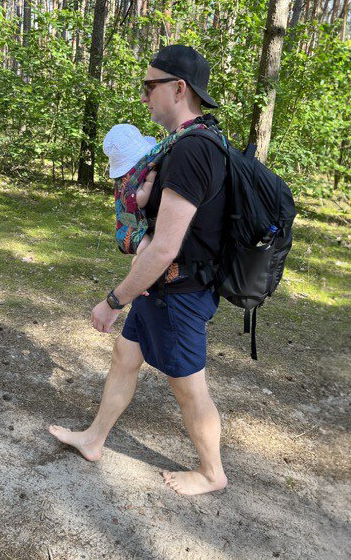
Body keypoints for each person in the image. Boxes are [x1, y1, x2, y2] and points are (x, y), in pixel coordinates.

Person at [48, 45, 228, 496]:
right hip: (161, 291)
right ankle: (95, 439)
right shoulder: (191, 141)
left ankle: (211, 473)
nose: (144, 96)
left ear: (179, 88)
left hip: (179, 293)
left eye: (150, 86)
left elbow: (164, 247)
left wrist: (112, 301)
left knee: (190, 390)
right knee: (125, 358)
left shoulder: (190, 152)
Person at [102, 123, 158, 258]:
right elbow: (140, 200)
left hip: (134, 228)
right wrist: (149, 182)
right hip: (131, 234)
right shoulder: (128, 185)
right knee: (148, 252)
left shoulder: (126, 179)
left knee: (142, 257)